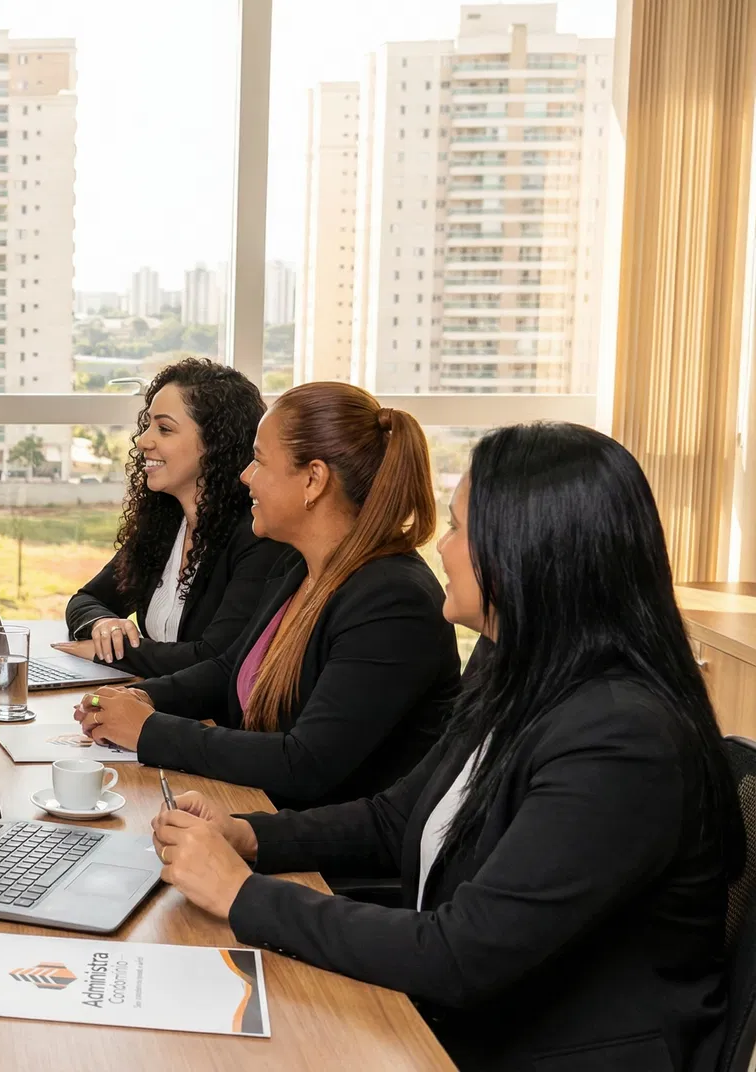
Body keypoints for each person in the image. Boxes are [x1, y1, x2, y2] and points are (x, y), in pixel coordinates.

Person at [151, 422, 740, 1071]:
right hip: (458, 1023)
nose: (442, 545)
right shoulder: (513, 663)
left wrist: (242, 895)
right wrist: (249, 836)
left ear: (526, 552)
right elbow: (398, 817)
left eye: (459, 527)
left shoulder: (623, 740)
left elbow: (461, 955)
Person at [73, 381, 457, 811]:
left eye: (259, 461)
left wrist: (148, 730)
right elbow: (229, 669)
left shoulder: (393, 603)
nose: (245, 475)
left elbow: (304, 762)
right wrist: (143, 698)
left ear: (313, 480)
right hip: (261, 813)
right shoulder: (300, 568)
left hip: (316, 843)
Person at [61, 358, 285, 677]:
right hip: (148, 699)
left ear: (216, 443)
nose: (143, 441)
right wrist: (103, 624)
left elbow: (214, 659)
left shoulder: (256, 537)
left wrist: (112, 653)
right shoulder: (164, 524)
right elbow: (88, 599)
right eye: (147, 424)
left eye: (164, 429)